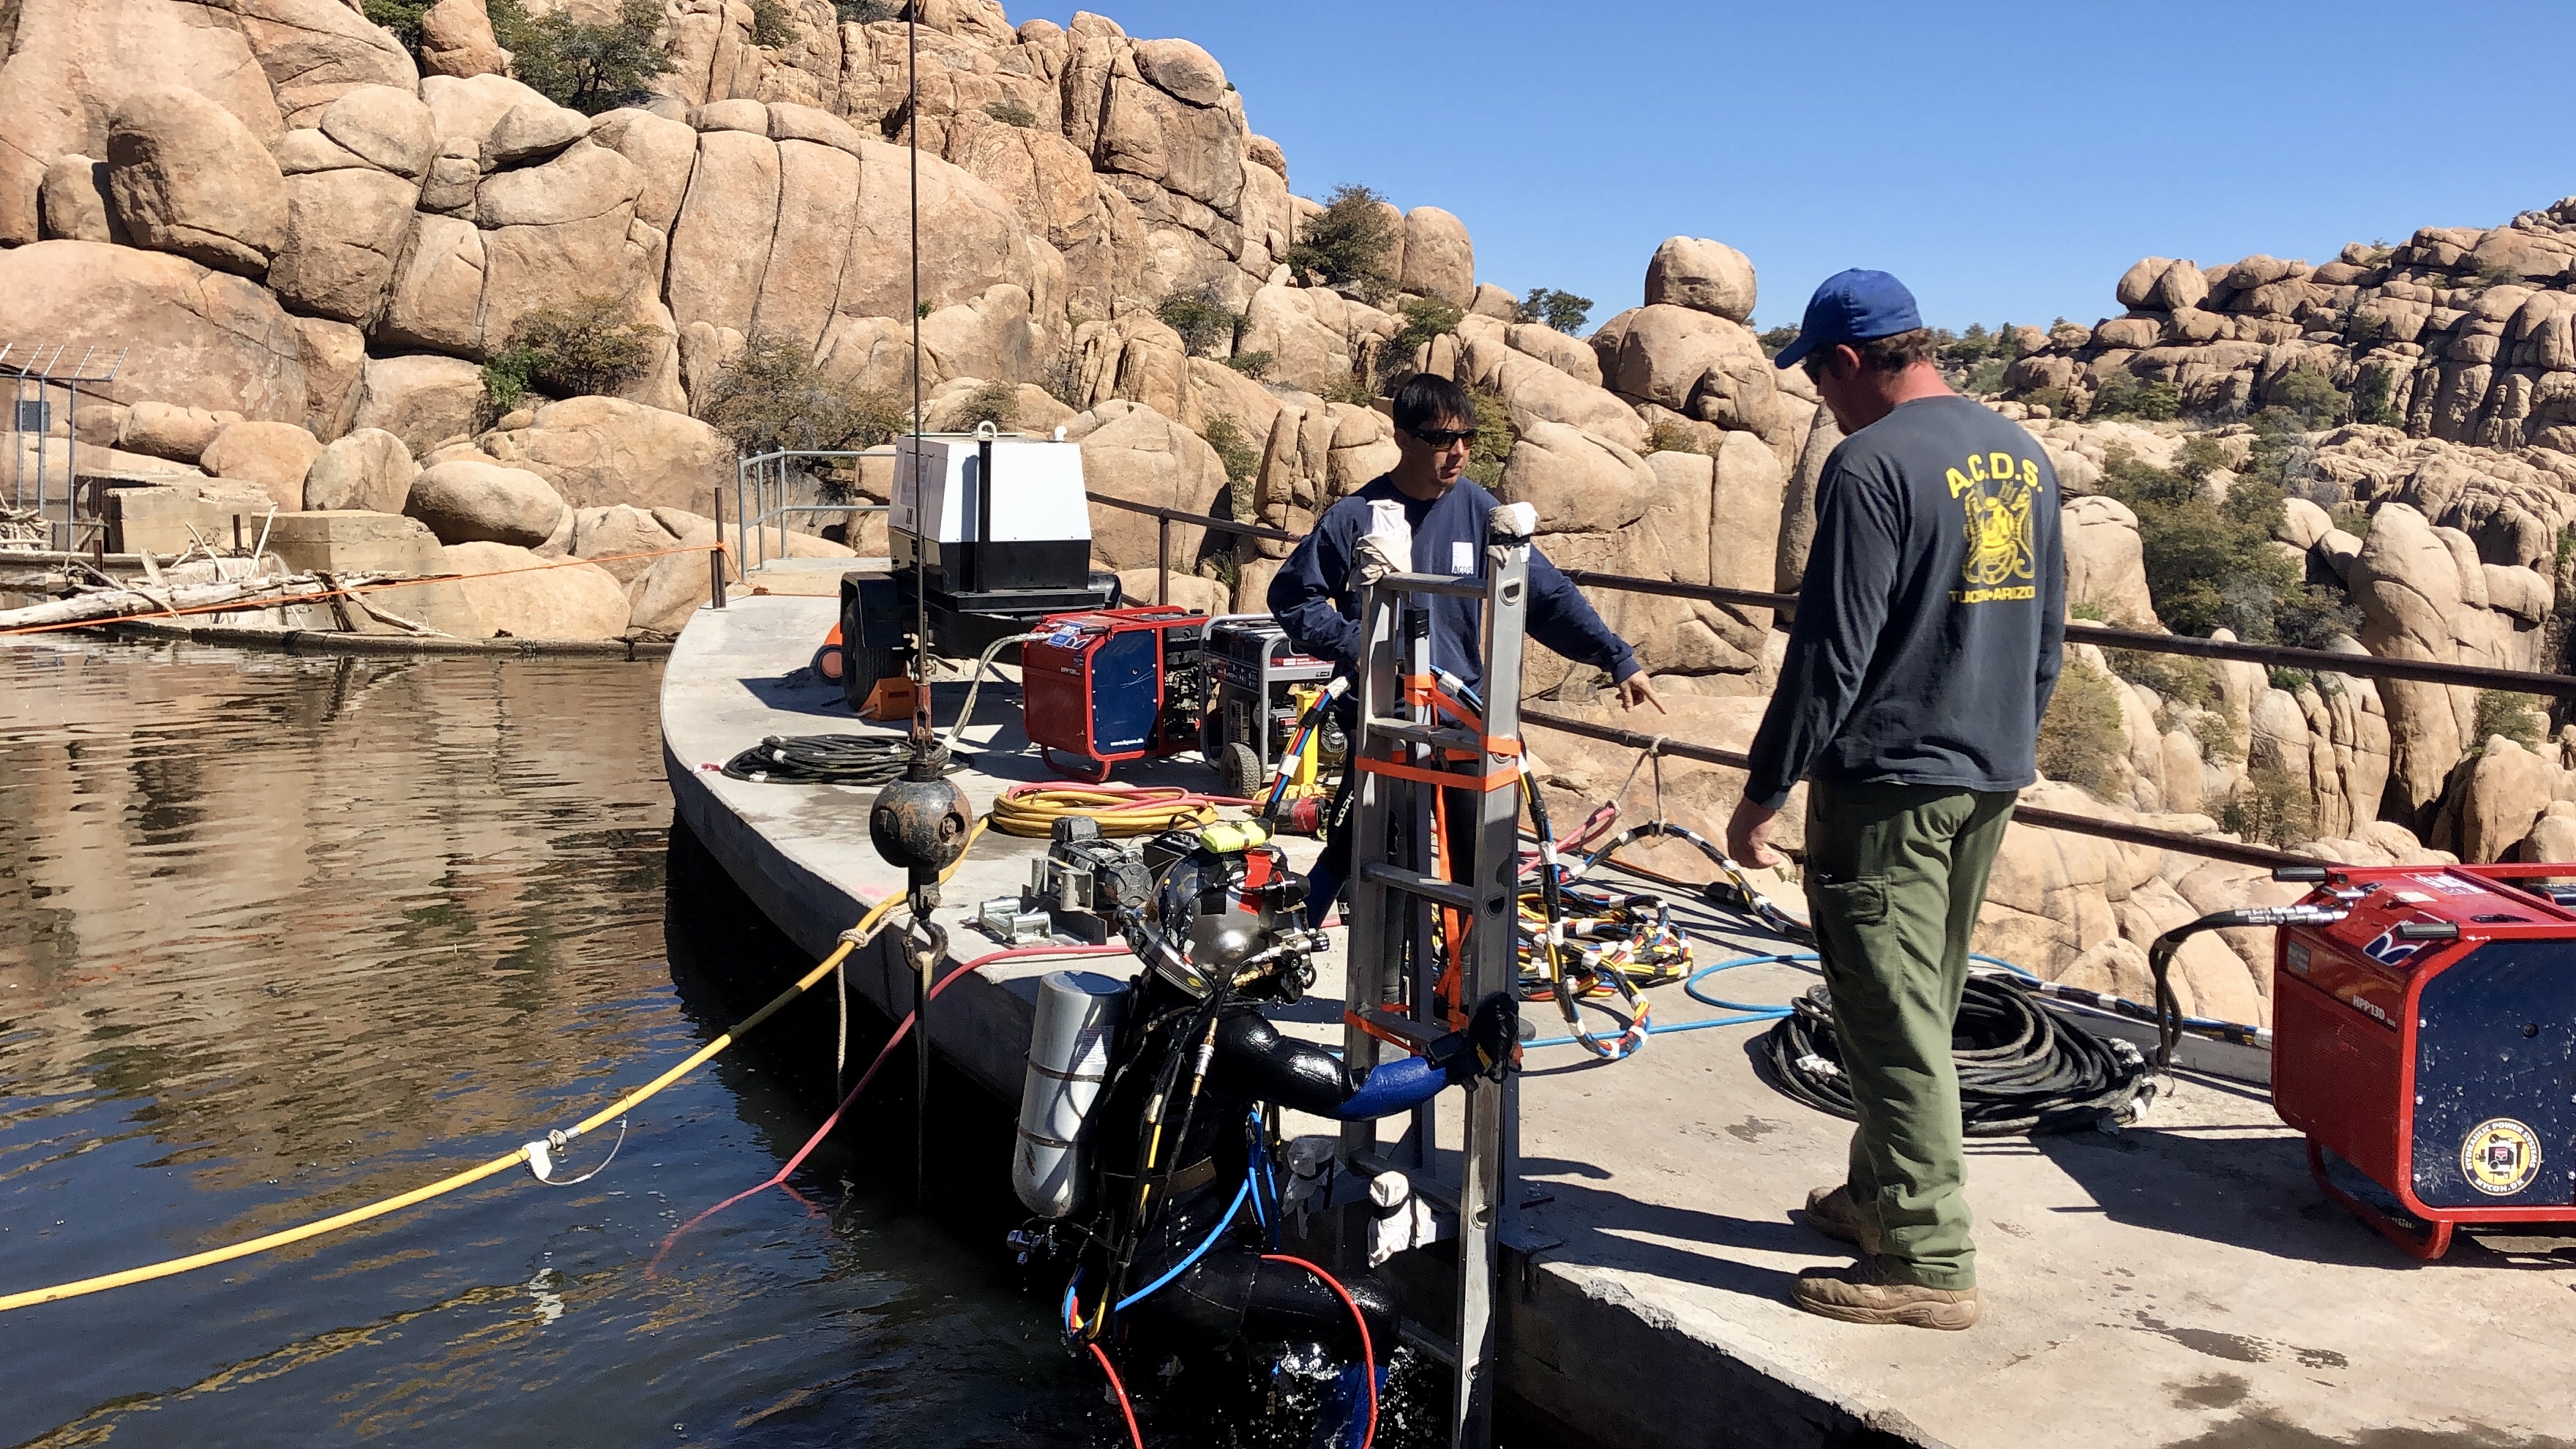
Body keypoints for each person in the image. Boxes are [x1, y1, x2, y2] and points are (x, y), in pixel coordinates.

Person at [1724, 269, 2064, 1331]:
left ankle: (1926, 1257)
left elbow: (1831, 651)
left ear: (1847, 362)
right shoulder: (2019, 453)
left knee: (1886, 1013)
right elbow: (2046, 635)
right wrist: (2006, 741)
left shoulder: (1870, 464)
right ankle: (1878, 1196)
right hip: (1986, 772)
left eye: (1820, 380)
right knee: (1922, 998)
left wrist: (1765, 789)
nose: (1823, 401)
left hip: (1888, 789)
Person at [1269, 373, 1663, 919]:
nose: (1457, 452)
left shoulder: (1481, 511)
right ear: (1402, 438)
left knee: (1478, 867)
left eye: (1467, 439)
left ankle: (1465, 968)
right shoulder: (1356, 515)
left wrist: (1615, 656)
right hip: (1383, 718)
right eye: (1440, 439)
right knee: (1359, 848)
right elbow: (1294, 598)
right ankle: (1288, 948)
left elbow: (1546, 597)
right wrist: (1361, 645)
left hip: (1461, 717)